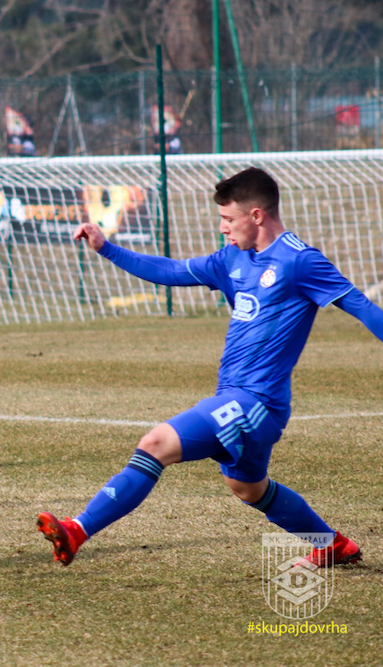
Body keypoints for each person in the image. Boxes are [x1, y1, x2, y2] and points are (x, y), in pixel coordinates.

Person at [39, 167, 380, 568]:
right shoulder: (232, 258)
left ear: (256, 215)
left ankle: (76, 531)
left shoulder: (300, 261)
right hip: (236, 398)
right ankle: (332, 545)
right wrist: (106, 248)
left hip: (255, 403)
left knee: (155, 444)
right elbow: (171, 271)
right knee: (248, 488)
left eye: (228, 219)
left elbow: (362, 307)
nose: (222, 228)